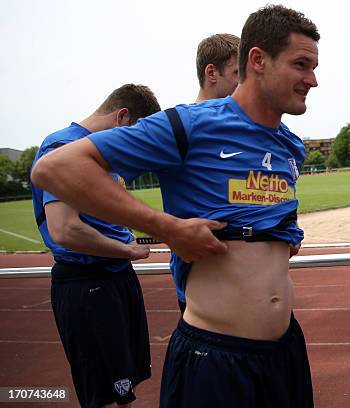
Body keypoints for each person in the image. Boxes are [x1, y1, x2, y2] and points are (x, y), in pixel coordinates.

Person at [31, 5, 319, 407]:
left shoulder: (290, 145)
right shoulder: (189, 125)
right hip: (215, 357)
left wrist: (281, 235)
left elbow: (262, 217)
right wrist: (165, 227)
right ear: (258, 60)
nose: (313, 80)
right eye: (301, 65)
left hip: (285, 350)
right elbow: (55, 169)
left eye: (314, 67)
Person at [31, 84, 161, 408]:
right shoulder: (63, 146)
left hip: (116, 277)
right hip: (88, 282)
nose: (136, 148)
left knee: (123, 387)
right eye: (136, 136)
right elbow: (64, 228)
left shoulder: (103, 154)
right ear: (122, 117)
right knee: (102, 394)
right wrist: (127, 250)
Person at [172, 32, 241, 315]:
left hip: (252, 293)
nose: (246, 82)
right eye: (239, 73)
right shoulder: (179, 126)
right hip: (203, 298)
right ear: (211, 73)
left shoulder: (245, 128)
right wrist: (164, 227)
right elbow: (88, 170)